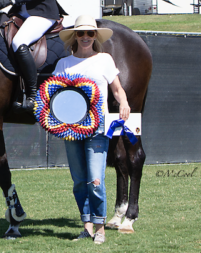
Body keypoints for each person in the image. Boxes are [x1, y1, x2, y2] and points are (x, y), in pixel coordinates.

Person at [54, 15, 130, 245]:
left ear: (95, 36)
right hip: (71, 129)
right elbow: (54, 96)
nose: (85, 37)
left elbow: (117, 89)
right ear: (74, 36)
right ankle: (86, 226)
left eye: (90, 33)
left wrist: (124, 103)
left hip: (97, 128)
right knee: (79, 181)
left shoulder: (105, 59)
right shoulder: (63, 64)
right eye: (80, 33)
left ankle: (100, 228)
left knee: (96, 179)